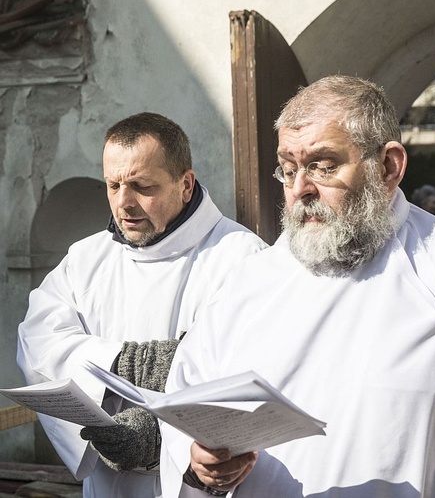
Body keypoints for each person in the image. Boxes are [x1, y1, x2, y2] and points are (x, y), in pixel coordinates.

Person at [160, 75, 435, 497]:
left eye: (323, 166)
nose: (299, 189)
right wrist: (201, 466)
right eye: (288, 169)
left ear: (388, 167)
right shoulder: (249, 282)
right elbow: (189, 405)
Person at [16, 112, 268, 497]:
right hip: (106, 482)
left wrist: (162, 438)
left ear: (186, 184)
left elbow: (255, 371)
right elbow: (37, 342)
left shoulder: (241, 258)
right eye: (113, 184)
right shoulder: (86, 259)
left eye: (141, 186)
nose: (123, 202)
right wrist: (124, 363)